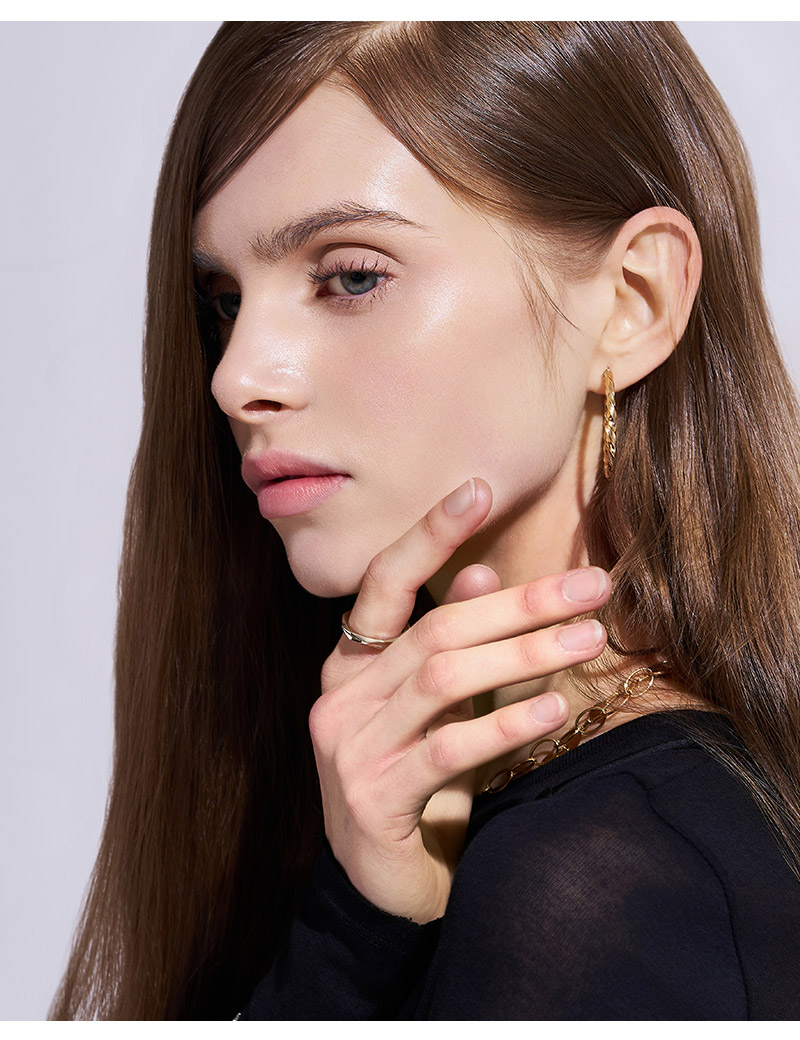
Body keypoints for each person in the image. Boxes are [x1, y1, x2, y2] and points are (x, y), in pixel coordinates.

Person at [51, 21, 800, 1021]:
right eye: (223, 300)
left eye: (351, 276)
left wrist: (345, 945)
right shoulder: (462, 812)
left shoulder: (604, 885)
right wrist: (358, 920)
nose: (235, 378)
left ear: (631, 301)